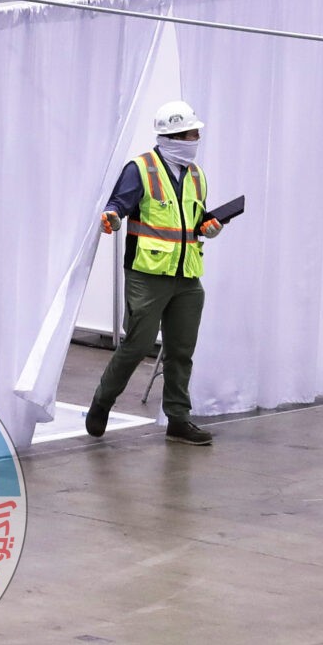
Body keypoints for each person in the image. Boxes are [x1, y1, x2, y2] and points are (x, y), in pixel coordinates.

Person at [85, 100, 224, 446]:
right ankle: (103, 401)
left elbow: (194, 218)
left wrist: (207, 225)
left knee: (181, 350)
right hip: (147, 275)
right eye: (192, 133)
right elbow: (117, 205)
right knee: (137, 345)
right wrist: (111, 218)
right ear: (175, 136)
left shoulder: (195, 174)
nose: (196, 139)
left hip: (187, 276)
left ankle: (178, 418)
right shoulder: (141, 168)